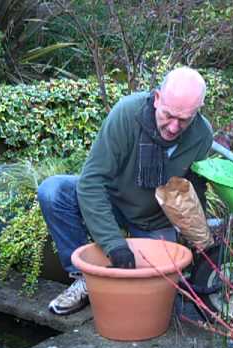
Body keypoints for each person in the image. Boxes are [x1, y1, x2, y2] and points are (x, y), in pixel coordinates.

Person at [38, 67, 213, 315]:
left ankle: (113, 276)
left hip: (153, 218)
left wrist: (200, 240)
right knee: (53, 191)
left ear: (197, 110)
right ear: (157, 98)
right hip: (114, 198)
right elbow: (91, 181)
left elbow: (194, 191)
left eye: (184, 119)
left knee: (152, 299)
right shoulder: (127, 114)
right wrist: (114, 245)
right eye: (169, 115)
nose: (174, 127)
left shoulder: (202, 135)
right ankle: (84, 278)